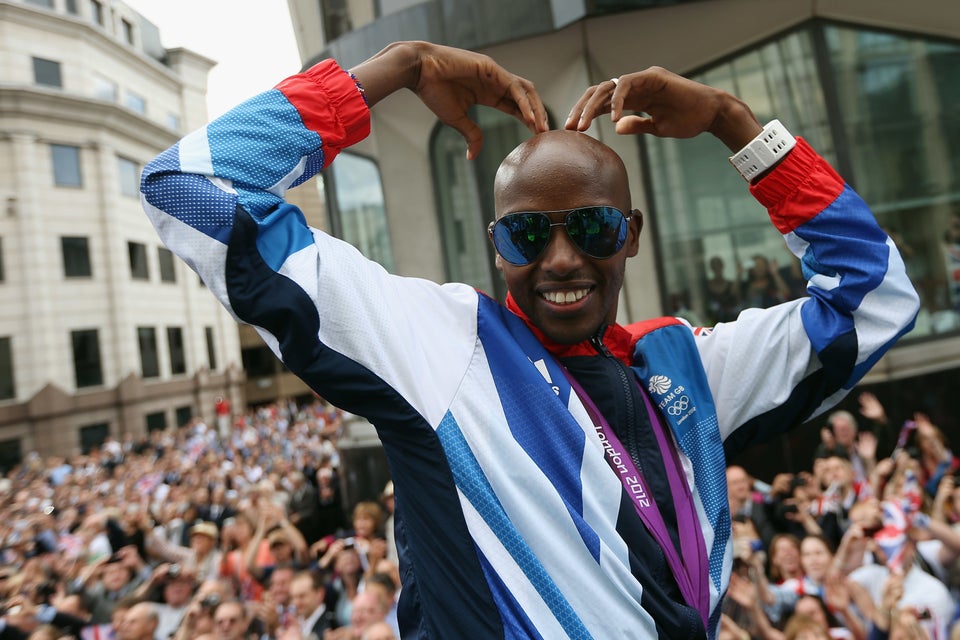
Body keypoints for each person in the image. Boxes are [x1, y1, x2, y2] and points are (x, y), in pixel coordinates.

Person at [141, 40, 919, 638]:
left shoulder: (687, 368)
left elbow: (875, 295)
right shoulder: (439, 347)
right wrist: (398, 68)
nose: (561, 260)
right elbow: (190, 188)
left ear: (632, 235)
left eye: (592, 226)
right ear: (493, 244)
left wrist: (734, 124)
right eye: (525, 235)